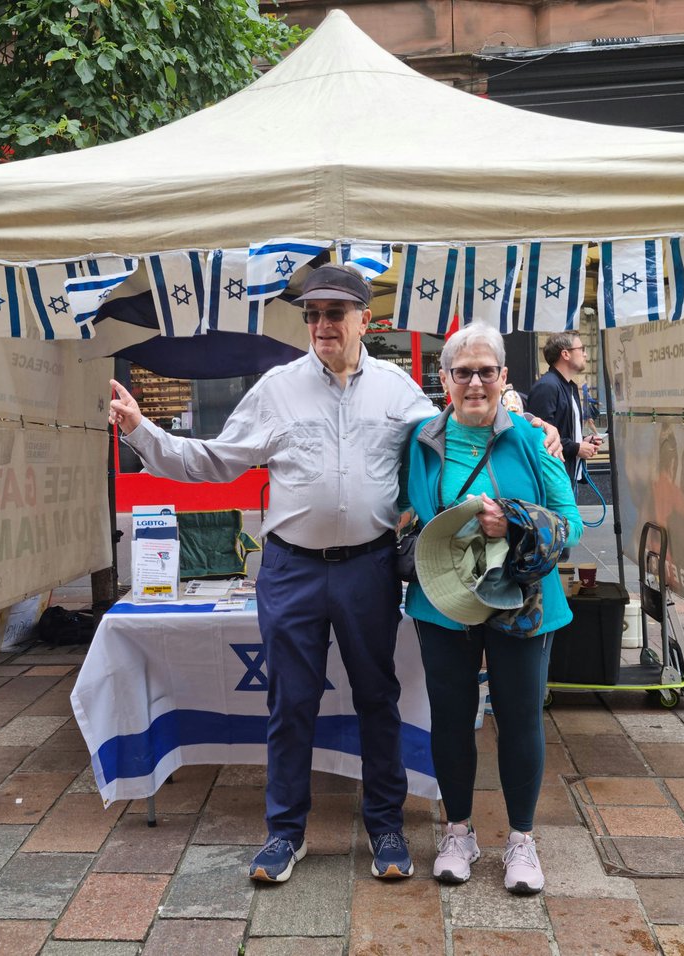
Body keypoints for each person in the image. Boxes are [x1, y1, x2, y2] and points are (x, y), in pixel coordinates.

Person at [110, 264, 560, 885]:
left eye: (335, 313)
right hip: (292, 567)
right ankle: (284, 834)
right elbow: (215, 459)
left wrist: (524, 416)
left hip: (369, 567)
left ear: (363, 321)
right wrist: (142, 433)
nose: (322, 325)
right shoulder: (276, 388)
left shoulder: (398, 390)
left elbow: (456, 420)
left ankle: (386, 829)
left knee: (378, 700)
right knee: (289, 703)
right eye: (313, 314)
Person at [403, 324, 582, 896]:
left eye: (486, 371)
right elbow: (410, 510)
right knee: (451, 717)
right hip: (444, 600)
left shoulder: (533, 437)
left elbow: (570, 524)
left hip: (522, 603)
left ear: (504, 378)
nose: (475, 382)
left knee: (520, 718)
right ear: (444, 379)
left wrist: (515, 520)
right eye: (463, 372)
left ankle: (522, 839)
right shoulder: (423, 439)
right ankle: (458, 831)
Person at [526, 332, 601, 484]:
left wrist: (583, 440)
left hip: (567, 474)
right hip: (554, 478)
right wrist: (576, 447)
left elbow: (562, 429)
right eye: (582, 349)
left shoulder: (568, 387)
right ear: (565, 354)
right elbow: (541, 436)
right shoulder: (547, 386)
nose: (585, 354)